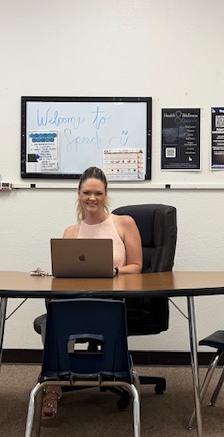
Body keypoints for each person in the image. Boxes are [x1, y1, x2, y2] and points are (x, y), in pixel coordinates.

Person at [42, 166, 143, 419]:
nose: (92, 198)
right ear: (78, 194)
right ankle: (53, 384)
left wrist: (115, 271)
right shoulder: (71, 232)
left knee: (56, 321)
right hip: (77, 299)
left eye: (98, 193)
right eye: (87, 192)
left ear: (106, 194)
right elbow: (66, 271)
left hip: (112, 301)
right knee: (54, 313)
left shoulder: (123, 223)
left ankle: (102, 373)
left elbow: (137, 267)